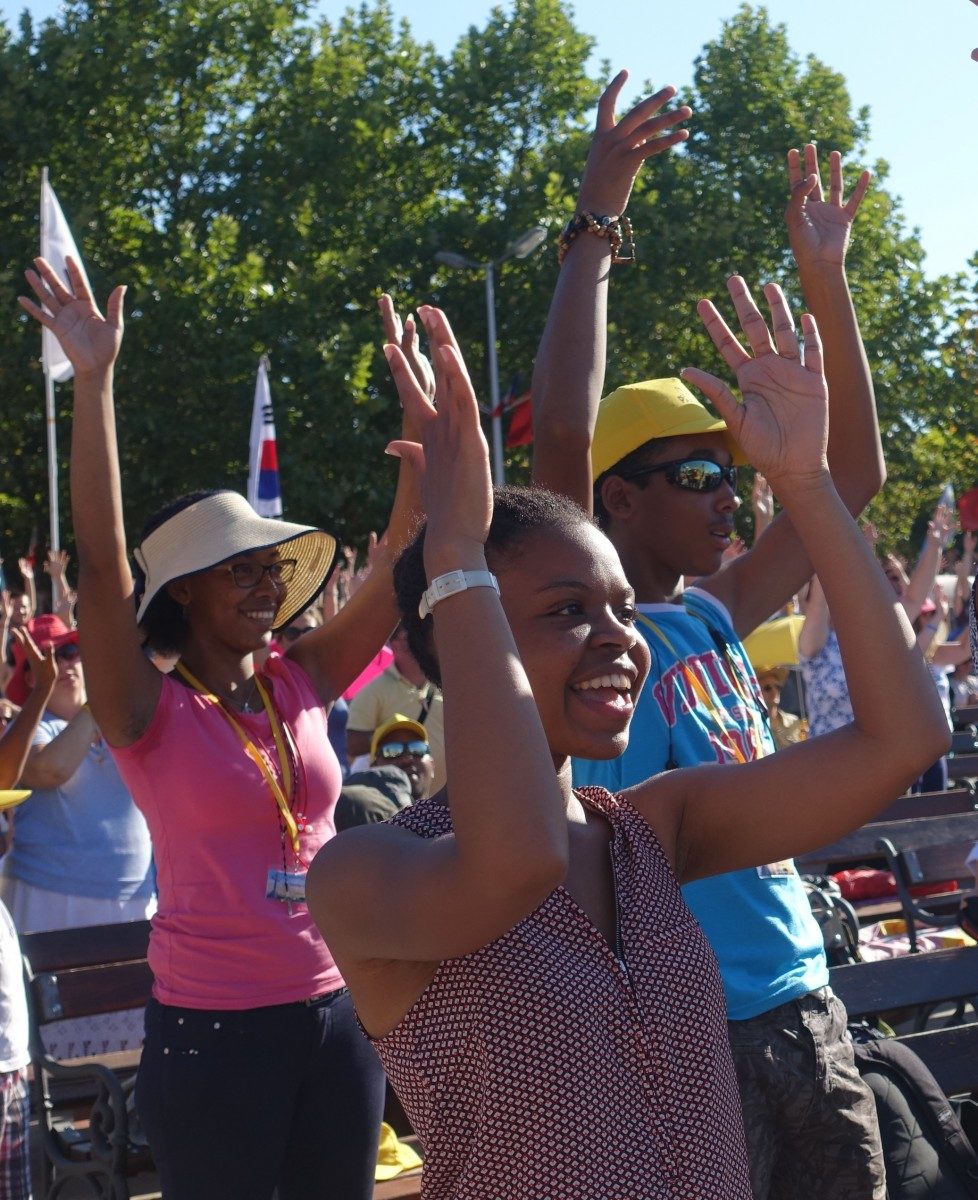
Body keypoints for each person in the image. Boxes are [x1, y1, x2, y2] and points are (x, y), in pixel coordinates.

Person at [307, 298, 948, 1200]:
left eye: (620, 609)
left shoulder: (655, 829)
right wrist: (451, 553)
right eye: (569, 611)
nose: (621, 637)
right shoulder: (363, 872)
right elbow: (517, 863)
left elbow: (905, 737)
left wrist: (806, 483)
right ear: (452, 634)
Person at [531, 73, 888, 1197]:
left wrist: (827, 286)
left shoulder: (710, 611)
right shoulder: (588, 637)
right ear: (616, 500)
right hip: (685, 1031)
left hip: (803, 999)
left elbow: (855, 478)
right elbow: (561, 437)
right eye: (697, 475)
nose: (728, 497)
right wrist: (596, 223)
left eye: (727, 472)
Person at [19, 258, 423, 1200]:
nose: (266, 583)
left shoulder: (302, 676)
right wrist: (95, 382)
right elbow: (101, 551)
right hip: (214, 1035)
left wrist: (421, 433)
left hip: (339, 1008)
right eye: (238, 568)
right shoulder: (143, 709)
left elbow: (401, 561)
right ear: (184, 591)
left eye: (272, 568)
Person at [346, 623, 445, 790]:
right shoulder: (373, 691)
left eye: (419, 635)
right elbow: (353, 744)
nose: (417, 642)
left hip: (450, 801)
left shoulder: (445, 684)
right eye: (409, 637)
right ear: (393, 643)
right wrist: (397, 736)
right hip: (399, 803)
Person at [335, 714, 433, 832]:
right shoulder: (358, 817)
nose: (407, 759)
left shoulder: (455, 822)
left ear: (432, 764)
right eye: (392, 751)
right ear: (373, 766)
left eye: (417, 748)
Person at [756, 665, 806, 750]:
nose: (774, 691)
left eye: (778, 687)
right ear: (756, 692)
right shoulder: (754, 724)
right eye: (767, 688)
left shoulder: (793, 721)